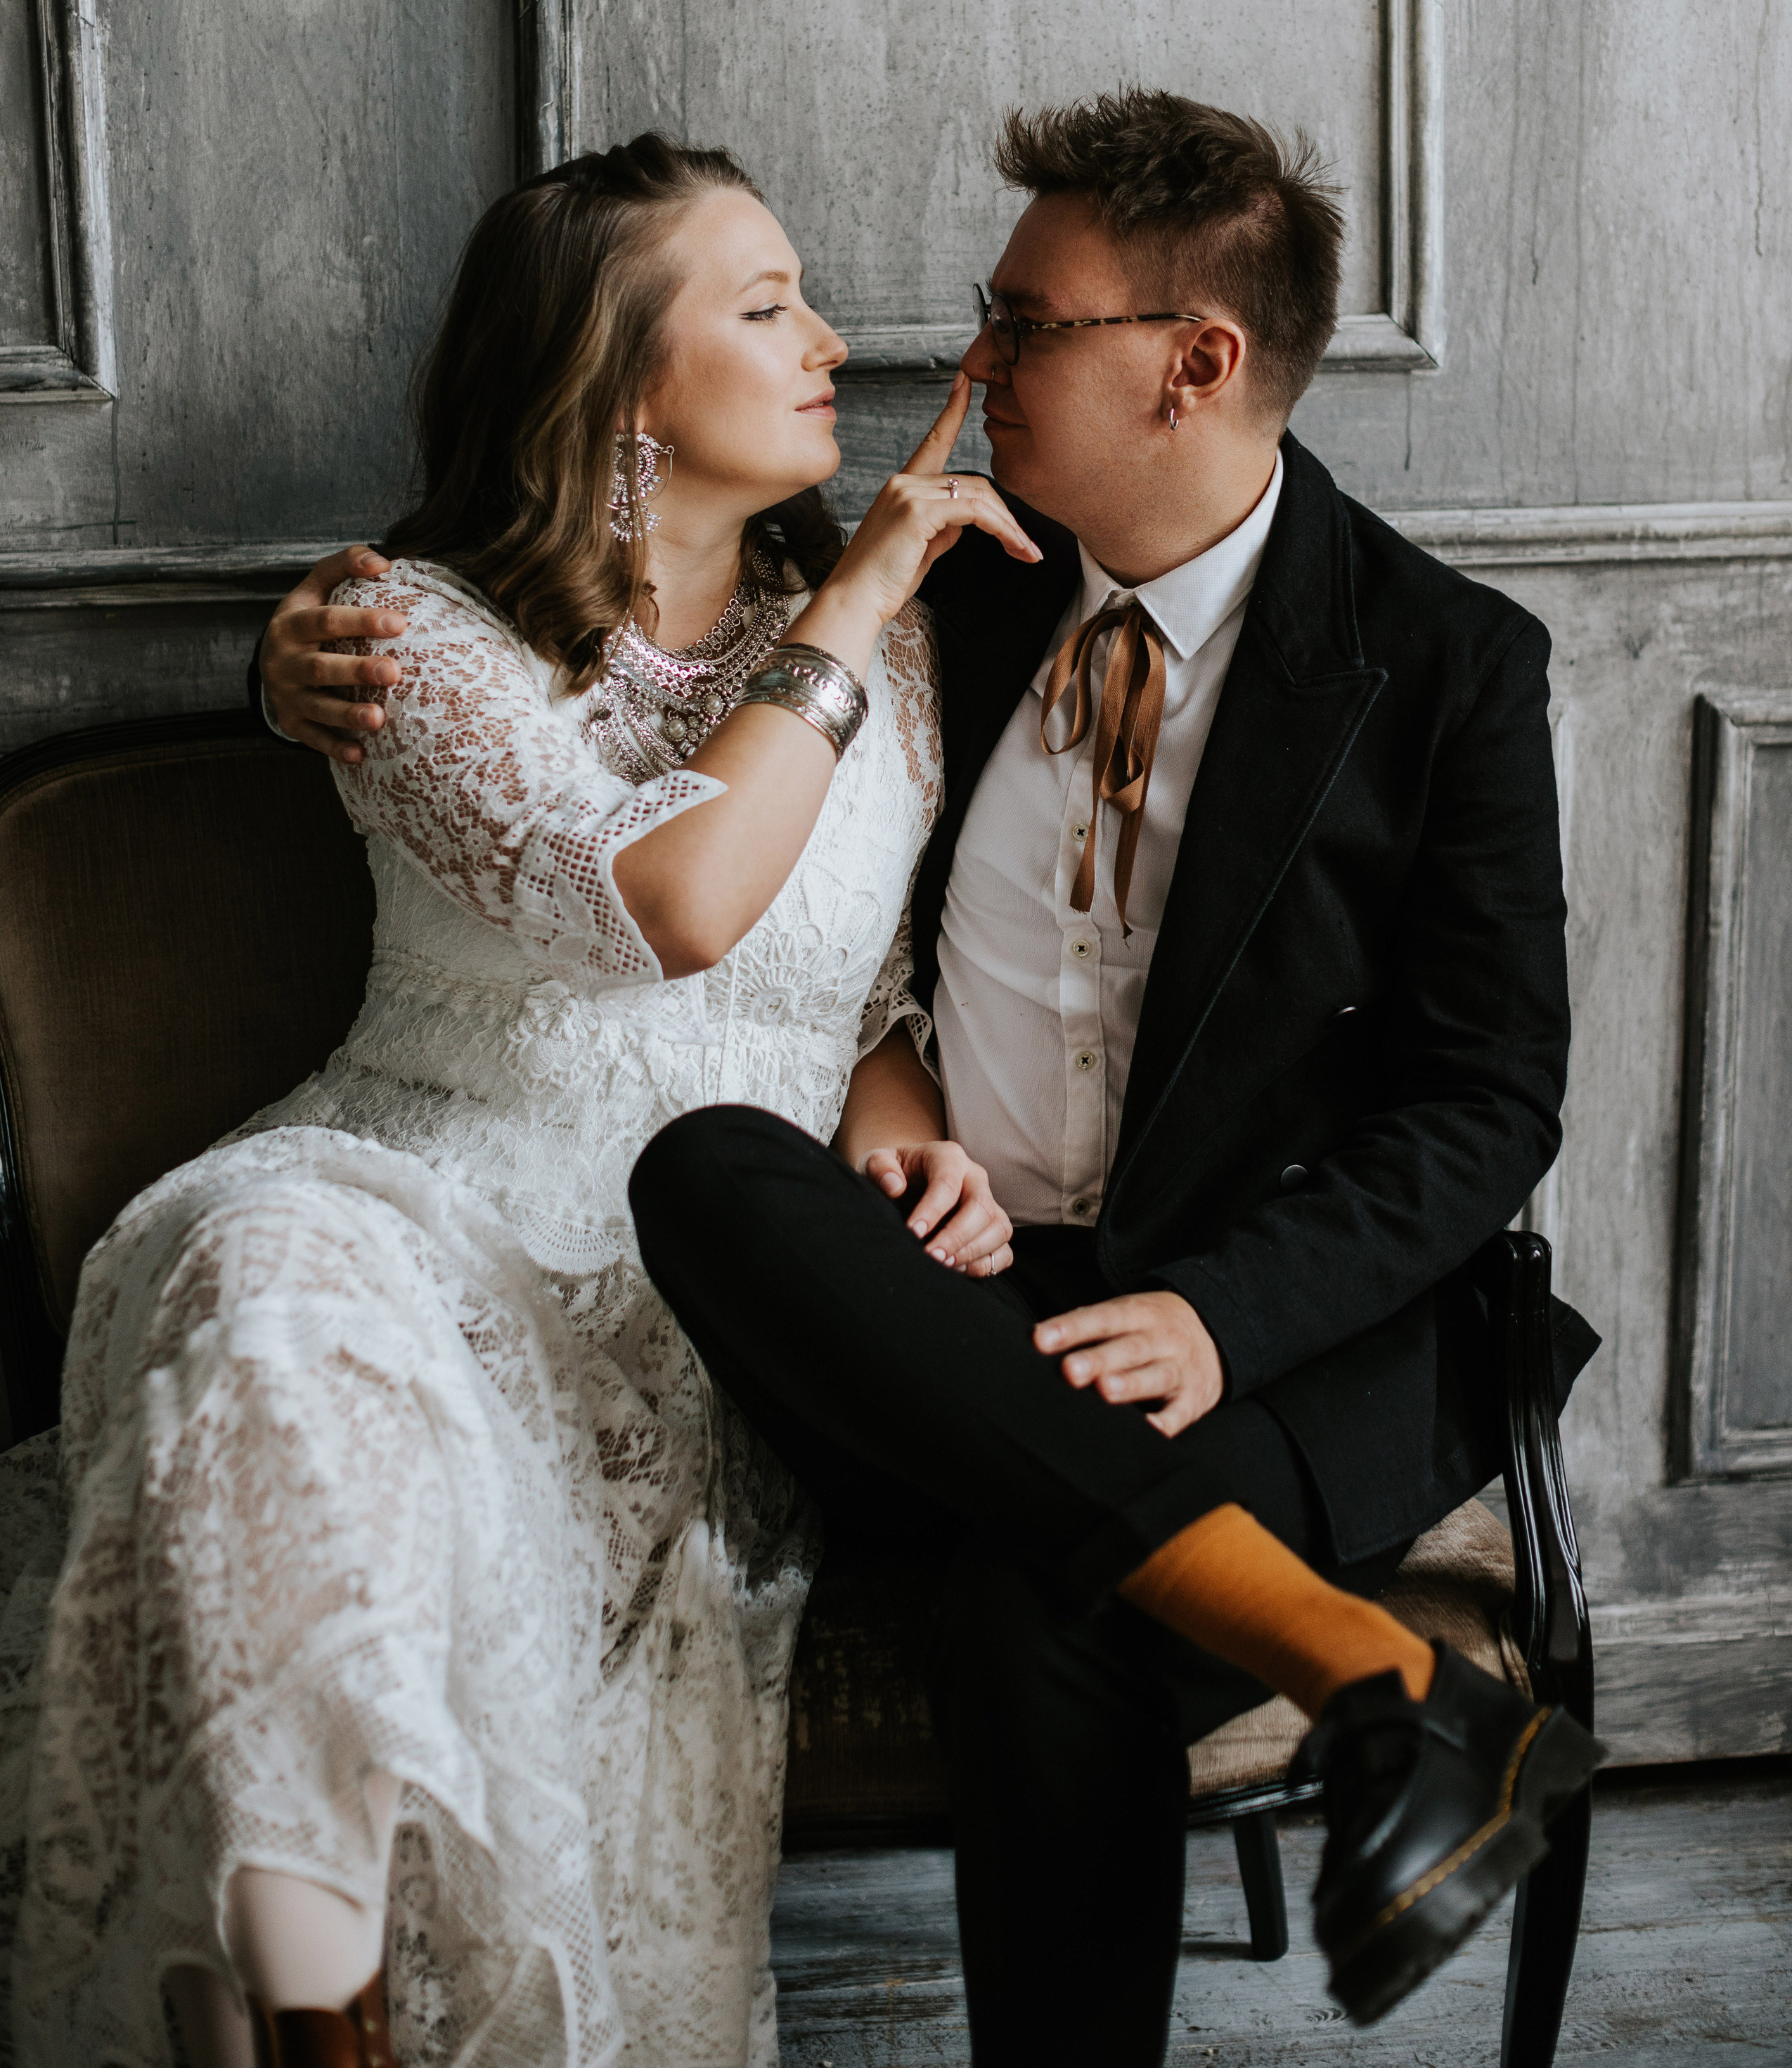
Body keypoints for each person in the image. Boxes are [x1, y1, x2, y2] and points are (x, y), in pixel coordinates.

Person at [7, 136, 1038, 2068]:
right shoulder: (406, 636)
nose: (831, 337)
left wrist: (914, 1174)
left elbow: (859, 1007)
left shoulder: (884, 639)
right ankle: (323, 2022)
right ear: (622, 381)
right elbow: (672, 902)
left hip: (694, 1300)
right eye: (764, 305)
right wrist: (870, 577)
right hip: (409, 1192)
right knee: (277, 1314)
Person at [624, 91, 1604, 2062]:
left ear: (1197, 364)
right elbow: (591, 623)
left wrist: (1220, 1321)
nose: (969, 366)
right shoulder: (941, 589)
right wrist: (299, 656)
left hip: (1280, 1330)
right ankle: (1388, 1692)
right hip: (954, 1299)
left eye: (1024, 323)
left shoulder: (1445, 667)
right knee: (709, 1168)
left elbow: (1488, 1103)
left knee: (1036, 1610)